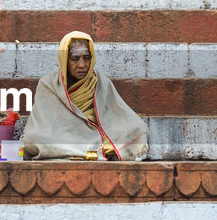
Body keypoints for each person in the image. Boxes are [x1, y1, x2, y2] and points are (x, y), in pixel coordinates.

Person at [21, 31, 148, 161]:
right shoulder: (48, 84)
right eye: (75, 59)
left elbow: (119, 116)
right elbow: (40, 126)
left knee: (138, 128)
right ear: (65, 59)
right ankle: (95, 151)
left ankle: (87, 151)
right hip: (63, 136)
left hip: (95, 134)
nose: (82, 65)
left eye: (86, 58)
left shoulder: (100, 82)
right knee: (33, 139)